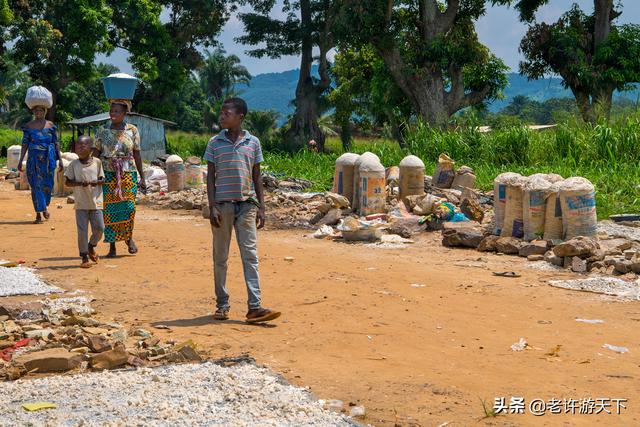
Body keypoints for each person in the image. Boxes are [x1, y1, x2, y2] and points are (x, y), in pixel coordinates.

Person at [205, 97, 280, 323]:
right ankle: (222, 304)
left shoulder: (252, 142)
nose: (221, 117)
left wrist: (262, 207)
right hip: (223, 206)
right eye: (221, 113)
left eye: (226, 113)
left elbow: (257, 177)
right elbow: (210, 177)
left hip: (247, 206)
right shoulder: (214, 143)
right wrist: (212, 206)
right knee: (221, 257)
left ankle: (254, 307)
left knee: (251, 256)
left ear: (240, 117)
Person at [92, 100, 146, 257]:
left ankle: (128, 238)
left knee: (129, 208)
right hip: (107, 173)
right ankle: (112, 246)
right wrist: (91, 173)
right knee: (110, 211)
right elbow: (95, 152)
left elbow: (136, 153)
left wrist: (143, 177)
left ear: (124, 113)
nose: (113, 114)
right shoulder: (102, 130)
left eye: (116, 111)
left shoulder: (132, 130)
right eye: (111, 111)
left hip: (127, 173)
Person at [18, 97, 63, 224]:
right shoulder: (28, 126)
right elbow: (25, 144)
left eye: (40, 110)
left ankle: (44, 207)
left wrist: (60, 160)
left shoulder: (51, 126)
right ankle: (39, 213)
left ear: (44, 111)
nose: (38, 113)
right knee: (36, 186)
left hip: (48, 161)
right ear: (33, 112)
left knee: (47, 185)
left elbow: (56, 143)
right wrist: (20, 160)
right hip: (34, 161)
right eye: (36, 111)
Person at [65, 136, 105, 268]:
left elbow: (102, 179)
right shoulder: (74, 165)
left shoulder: (97, 162)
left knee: (99, 228)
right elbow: (67, 182)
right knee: (82, 231)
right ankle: (84, 257)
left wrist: (95, 182)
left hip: (96, 203)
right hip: (81, 204)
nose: (80, 149)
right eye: (77, 147)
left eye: (83, 146)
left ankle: (91, 246)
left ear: (91, 149)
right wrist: (79, 183)